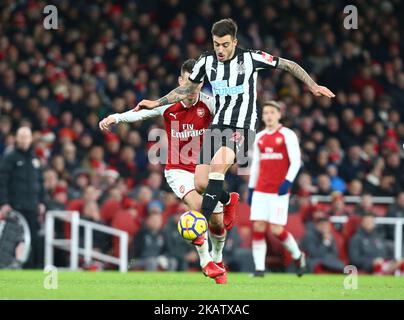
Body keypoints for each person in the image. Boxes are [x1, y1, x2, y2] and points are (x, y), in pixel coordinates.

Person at [134, 18, 334, 271]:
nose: (220, 49)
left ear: (235, 42)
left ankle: (200, 222)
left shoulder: (251, 58)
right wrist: (156, 102)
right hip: (218, 125)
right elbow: (185, 90)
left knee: (217, 170)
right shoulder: (206, 62)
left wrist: (312, 85)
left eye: (225, 44)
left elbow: (287, 64)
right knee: (201, 183)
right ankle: (228, 201)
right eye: (216, 44)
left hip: (242, 126)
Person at [99, 60, 228, 283]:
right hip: (177, 170)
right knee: (198, 207)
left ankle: (217, 256)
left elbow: (229, 120)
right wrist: (116, 117)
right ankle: (206, 261)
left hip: (203, 169)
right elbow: (140, 113)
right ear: (180, 82)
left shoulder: (209, 103)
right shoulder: (168, 105)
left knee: (218, 222)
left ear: (202, 83)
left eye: (196, 84)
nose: (191, 89)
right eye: (187, 82)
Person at [247, 101, 305, 277]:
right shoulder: (259, 137)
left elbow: (296, 162)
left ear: (279, 115)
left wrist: (287, 182)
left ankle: (297, 255)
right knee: (258, 226)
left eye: (272, 112)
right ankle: (259, 269)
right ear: (263, 117)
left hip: (279, 191)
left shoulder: (287, 135)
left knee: (277, 229)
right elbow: (256, 164)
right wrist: (251, 188)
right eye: (266, 113)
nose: (269, 116)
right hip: (260, 189)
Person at [0, 127, 45, 268]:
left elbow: (40, 183)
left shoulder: (34, 159)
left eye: (27, 137)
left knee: (33, 239)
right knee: (12, 239)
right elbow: (2, 181)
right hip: (15, 207)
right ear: (16, 139)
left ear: (31, 139)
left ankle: (31, 269)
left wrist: (41, 202)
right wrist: (4, 202)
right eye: (22, 136)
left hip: (31, 206)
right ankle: (8, 266)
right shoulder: (10, 157)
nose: (24, 140)